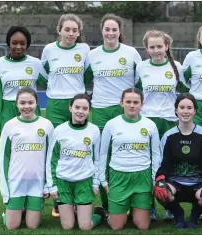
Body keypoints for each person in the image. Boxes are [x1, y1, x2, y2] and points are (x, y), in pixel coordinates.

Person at [84, 13, 142, 217]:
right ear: (102, 31)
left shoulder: (132, 53)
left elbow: (139, 82)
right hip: (100, 110)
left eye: (114, 29)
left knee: (127, 154)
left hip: (124, 110)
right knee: (101, 157)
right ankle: (109, 206)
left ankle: (136, 202)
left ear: (119, 32)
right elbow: (86, 79)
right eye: (107, 29)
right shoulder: (92, 55)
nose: (110, 33)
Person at [40, 13, 91, 219]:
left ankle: (79, 200)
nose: (71, 33)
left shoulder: (84, 49)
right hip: (55, 105)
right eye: (67, 29)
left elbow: (88, 75)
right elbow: (44, 77)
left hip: (78, 103)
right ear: (59, 29)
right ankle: (58, 200)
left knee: (79, 148)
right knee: (57, 151)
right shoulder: (49, 50)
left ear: (79, 32)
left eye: (74, 30)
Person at [135, 29, 186, 221]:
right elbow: (137, 91)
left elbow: (183, 91)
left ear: (166, 47)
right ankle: (149, 207)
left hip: (170, 121)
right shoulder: (141, 67)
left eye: (160, 46)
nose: (156, 50)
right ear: (147, 49)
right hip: (147, 121)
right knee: (147, 165)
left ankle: (170, 206)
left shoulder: (177, 67)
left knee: (171, 165)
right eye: (152, 47)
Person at [98, 88, 161, 230]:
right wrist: (103, 180)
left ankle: (135, 210)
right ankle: (102, 213)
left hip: (142, 176)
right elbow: (103, 154)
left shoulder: (150, 125)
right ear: (121, 103)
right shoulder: (111, 124)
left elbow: (156, 154)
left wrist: (153, 179)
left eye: (136, 102)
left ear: (142, 105)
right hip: (118, 175)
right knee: (116, 226)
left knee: (143, 226)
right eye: (128, 102)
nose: (132, 105)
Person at [154, 93, 202, 229]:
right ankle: (178, 214)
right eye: (181, 107)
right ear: (176, 110)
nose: (185, 111)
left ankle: (195, 216)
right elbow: (163, 162)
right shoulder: (169, 135)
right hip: (175, 182)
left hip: (198, 183)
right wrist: (160, 179)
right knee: (161, 192)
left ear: (195, 110)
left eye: (189, 108)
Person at [45, 94, 104, 230]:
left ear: (89, 111)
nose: (80, 111)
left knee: (85, 226)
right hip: (63, 182)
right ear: (70, 108)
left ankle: (99, 214)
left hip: (84, 182)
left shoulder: (94, 130)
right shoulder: (60, 130)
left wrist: (95, 184)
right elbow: (51, 159)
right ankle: (75, 212)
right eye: (77, 107)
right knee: (68, 226)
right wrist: (52, 185)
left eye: (85, 108)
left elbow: (97, 159)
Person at [0, 87, 54, 229]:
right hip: (16, 182)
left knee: (32, 225)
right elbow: (3, 159)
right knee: (12, 226)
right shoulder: (9, 126)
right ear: (16, 104)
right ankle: (10, 214)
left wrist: (48, 184)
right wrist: (5, 190)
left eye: (30, 102)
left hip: (37, 183)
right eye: (22, 103)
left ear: (36, 103)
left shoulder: (46, 125)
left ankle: (25, 211)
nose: (27, 106)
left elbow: (51, 157)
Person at [0, 26, 46, 140]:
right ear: (8, 43)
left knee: (34, 146)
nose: (18, 47)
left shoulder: (35, 63)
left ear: (27, 44)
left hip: (31, 109)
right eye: (14, 43)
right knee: (10, 149)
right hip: (8, 110)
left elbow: (50, 84)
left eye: (22, 43)